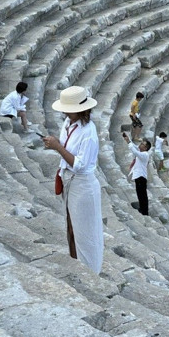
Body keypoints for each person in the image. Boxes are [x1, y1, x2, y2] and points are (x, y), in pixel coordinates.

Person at [43, 86, 103, 274]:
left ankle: (90, 272)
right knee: (71, 225)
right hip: (69, 179)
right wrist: (55, 144)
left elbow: (80, 165)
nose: (63, 111)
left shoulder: (88, 133)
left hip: (82, 184)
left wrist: (57, 147)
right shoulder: (69, 123)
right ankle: (76, 263)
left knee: (85, 233)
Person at [122, 132, 150, 216]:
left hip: (141, 177)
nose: (140, 145)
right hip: (139, 176)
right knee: (140, 194)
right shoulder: (141, 151)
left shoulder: (144, 154)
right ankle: (142, 208)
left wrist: (129, 143)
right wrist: (128, 141)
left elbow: (135, 152)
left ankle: (144, 211)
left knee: (142, 195)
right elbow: (135, 147)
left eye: (142, 144)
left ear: (145, 148)